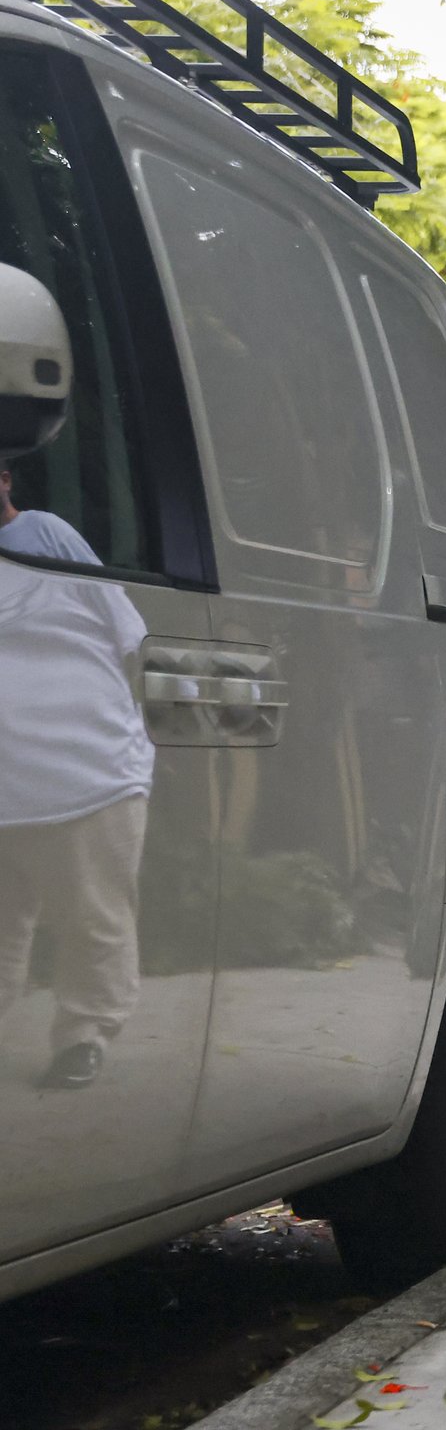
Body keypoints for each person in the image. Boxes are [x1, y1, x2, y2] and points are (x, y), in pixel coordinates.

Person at [0, 464, 153, 1090]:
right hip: (10, 785)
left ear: (5, 477)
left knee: (93, 921)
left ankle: (83, 1039)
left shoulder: (46, 534)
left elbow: (127, 635)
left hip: (88, 776)